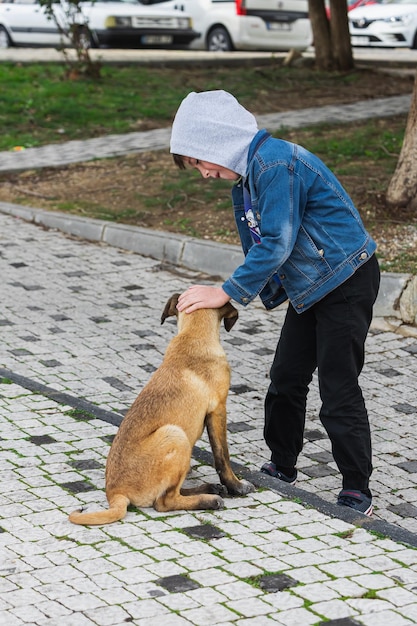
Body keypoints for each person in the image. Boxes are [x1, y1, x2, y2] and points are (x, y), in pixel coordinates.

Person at [170, 90, 380, 516]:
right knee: (285, 376)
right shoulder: (248, 181)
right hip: (312, 286)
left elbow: (278, 243)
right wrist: (261, 292)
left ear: (217, 141)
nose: (204, 175)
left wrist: (225, 293)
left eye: (199, 162)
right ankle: (283, 465)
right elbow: (261, 248)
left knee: (337, 387)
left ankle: (357, 488)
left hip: (346, 279)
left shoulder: (276, 165)